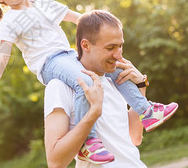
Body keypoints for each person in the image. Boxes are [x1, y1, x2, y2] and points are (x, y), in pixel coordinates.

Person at [0, 0, 178, 164]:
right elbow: (3, 54)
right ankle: (88, 142)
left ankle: (147, 111)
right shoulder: (10, 20)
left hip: (70, 56)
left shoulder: (44, 5)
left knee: (117, 69)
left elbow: (81, 20)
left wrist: (103, 28)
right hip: (50, 63)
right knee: (84, 81)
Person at [44, 10, 172, 167]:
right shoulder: (60, 87)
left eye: (120, 46)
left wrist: (140, 87)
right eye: (110, 48)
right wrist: (93, 113)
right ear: (85, 45)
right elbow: (55, 162)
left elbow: (134, 137)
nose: (118, 55)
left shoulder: (116, 81)